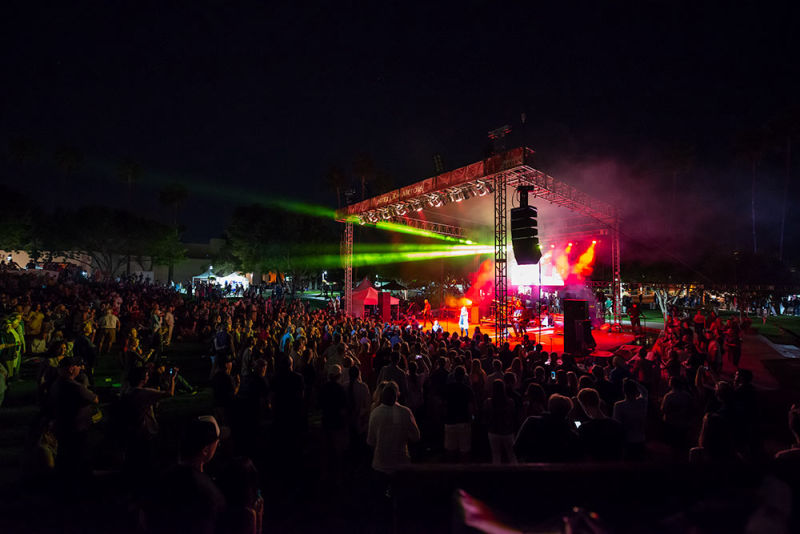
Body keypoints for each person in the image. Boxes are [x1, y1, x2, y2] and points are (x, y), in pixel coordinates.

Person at [146, 417, 227, 534]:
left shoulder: (160, 480)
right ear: (205, 450)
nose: (217, 445)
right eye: (216, 443)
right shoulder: (209, 493)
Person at [49, 356, 99, 481]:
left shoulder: (57, 383)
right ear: (71, 369)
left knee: (66, 456)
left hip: (64, 426)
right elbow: (94, 399)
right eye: (78, 366)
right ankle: (77, 483)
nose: (80, 369)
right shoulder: (75, 386)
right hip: (77, 428)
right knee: (77, 456)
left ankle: (66, 480)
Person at [367, 381, 420, 474]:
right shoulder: (405, 412)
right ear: (397, 396)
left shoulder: (375, 413)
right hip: (401, 462)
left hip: (380, 464)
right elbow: (416, 436)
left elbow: (371, 441)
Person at [514, 393, 580, 462]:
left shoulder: (532, 422)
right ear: (568, 411)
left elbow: (517, 446)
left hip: (533, 467)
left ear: (549, 406)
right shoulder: (570, 434)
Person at [575, 388, 625, 461]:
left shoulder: (584, 428)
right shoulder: (616, 425)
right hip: (614, 467)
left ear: (584, 405)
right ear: (598, 401)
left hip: (594, 468)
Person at [443, 365, 476, 460]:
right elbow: (471, 407)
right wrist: (472, 418)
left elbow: (444, 404)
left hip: (450, 420)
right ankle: (463, 471)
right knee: (464, 450)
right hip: (464, 421)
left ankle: (451, 470)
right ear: (464, 376)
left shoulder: (448, 388)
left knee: (450, 449)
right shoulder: (467, 389)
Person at [483, 379, 518, 464]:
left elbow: (485, 416)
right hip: (507, 431)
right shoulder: (510, 402)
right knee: (512, 455)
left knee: (496, 455)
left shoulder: (488, 402)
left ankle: (496, 474)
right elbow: (514, 416)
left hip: (493, 431)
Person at [612, 379, 648, 459]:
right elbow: (645, 391)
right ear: (636, 391)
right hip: (641, 438)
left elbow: (616, 423)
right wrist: (634, 382)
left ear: (623, 391)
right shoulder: (642, 402)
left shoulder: (619, 405)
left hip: (627, 439)